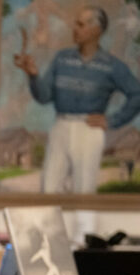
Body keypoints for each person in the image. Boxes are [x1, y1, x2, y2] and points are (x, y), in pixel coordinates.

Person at [13, 5, 140, 193]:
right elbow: (44, 96)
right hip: (60, 127)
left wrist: (112, 120)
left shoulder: (112, 66)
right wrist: (33, 76)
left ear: (96, 30)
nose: (75, 29)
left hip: (89, 130)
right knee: (49, 188)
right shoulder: (61, 59)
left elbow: (136, 93)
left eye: (80, 25)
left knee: (84, 191)